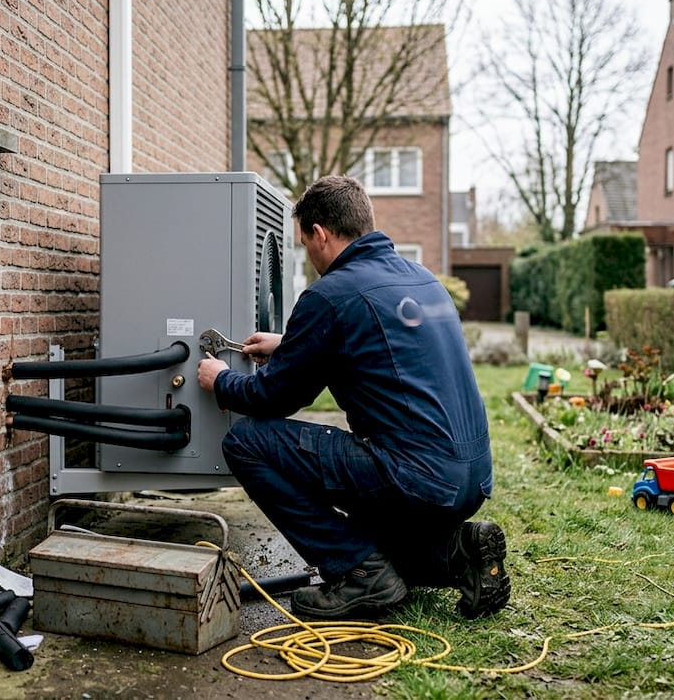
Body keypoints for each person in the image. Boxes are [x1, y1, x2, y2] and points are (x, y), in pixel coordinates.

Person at [196, 175, 509, 620]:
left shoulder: (330, 295)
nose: (309, 255)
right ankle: (458, 552)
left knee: (246, 442)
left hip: (415, 479)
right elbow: (381, 345)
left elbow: (275, 398)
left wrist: (221, 379)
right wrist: (291, 345)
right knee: (372, 540)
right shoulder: (422, 279)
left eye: (306, 244)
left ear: (320, 233)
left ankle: (359, 573)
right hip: (469, 479)